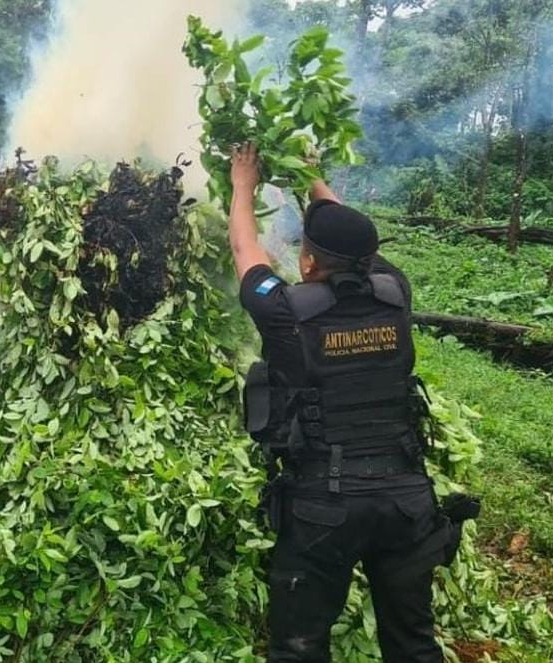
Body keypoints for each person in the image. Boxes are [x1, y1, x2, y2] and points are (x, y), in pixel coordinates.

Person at [229, 144, 477, 662]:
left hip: (325, 505)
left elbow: (244, 252)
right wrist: (313, 177)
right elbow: (353, 242)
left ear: (308, 260)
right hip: (407, 500)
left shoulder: (286, 314)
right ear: (369, 257)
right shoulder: (395, 292)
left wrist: (241, 184)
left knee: (299, 648)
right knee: (413, 645)